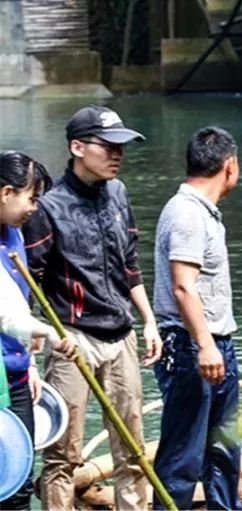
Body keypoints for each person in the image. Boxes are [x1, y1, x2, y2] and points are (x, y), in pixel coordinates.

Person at [22, 106, 160, 511]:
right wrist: (34, 351)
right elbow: (29, 282)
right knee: (63, 455)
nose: (118, 155)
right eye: (109, 146)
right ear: (77, 147)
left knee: (133, 450)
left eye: (122, 147)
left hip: (122, 335)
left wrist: (149, 322)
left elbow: (130, 265)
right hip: (73, 339)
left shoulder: (117, 193)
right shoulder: (47, 207)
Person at [152, 127, 242, 510]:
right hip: (191, 345)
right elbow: (183, 287)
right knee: (183, 453)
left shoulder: (203, 212)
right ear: (229, 166)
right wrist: (205, 345)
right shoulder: (187, 213)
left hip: (215, 343)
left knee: (222, 446)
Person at [0, 152, 77, 511]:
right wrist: (49, 333)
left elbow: (20, 304)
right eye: (31, 198)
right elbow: (5, 315)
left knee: (18, 479)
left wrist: (29, 363)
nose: (35, 208)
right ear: (5, 193)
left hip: (16, 377)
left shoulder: (14, 233)